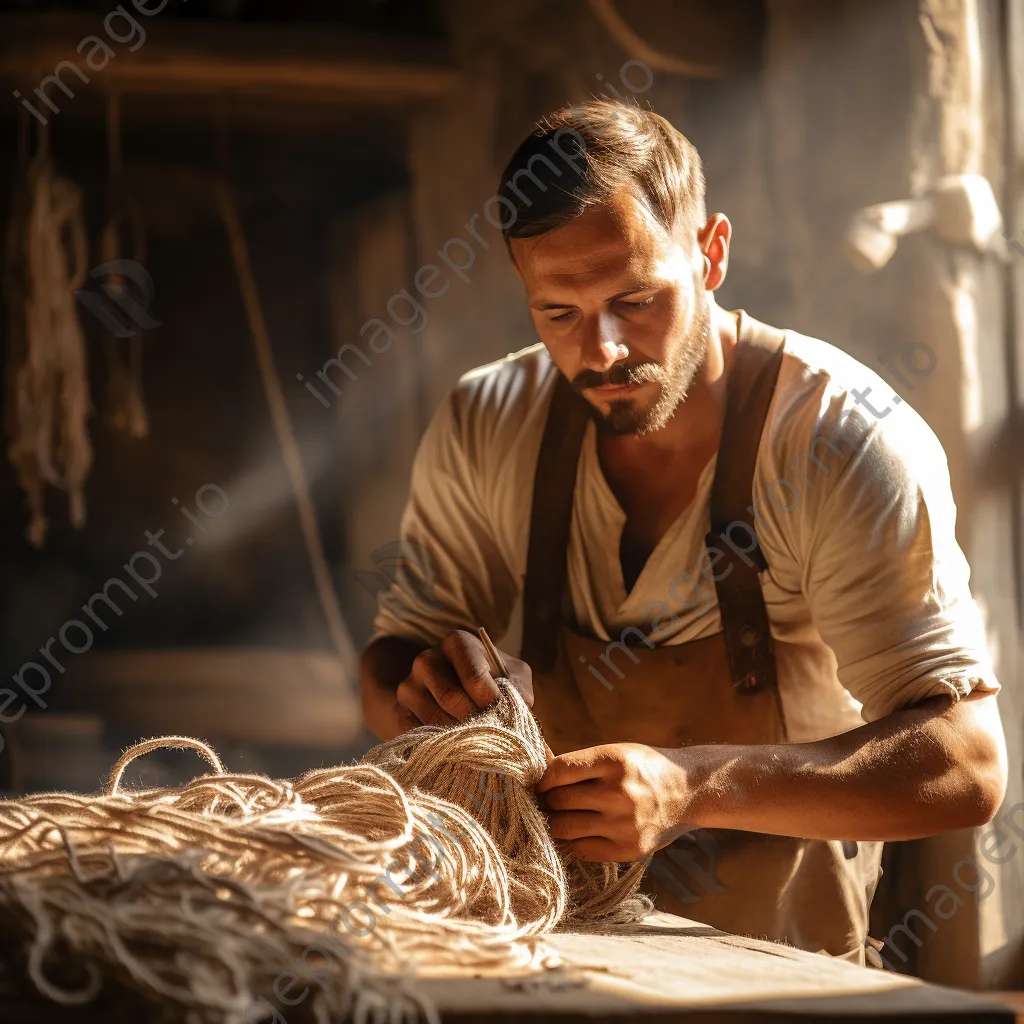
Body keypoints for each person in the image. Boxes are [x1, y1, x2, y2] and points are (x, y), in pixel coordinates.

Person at [359, 100, 1006, 963]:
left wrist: (690, 787)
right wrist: (428, 690)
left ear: (711, 253)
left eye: (635, 299)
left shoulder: (840, 439)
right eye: (559, 313)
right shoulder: (489, 420)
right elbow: (390, 660)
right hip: (553, 956)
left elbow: (965, 767)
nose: (604, 350)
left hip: (782, 977)